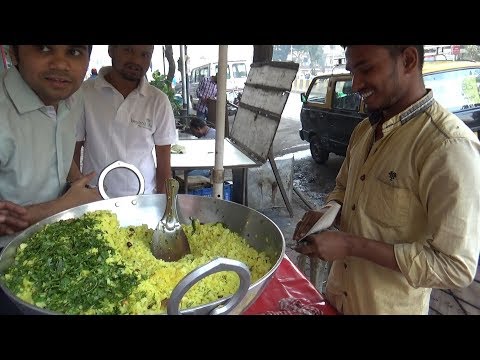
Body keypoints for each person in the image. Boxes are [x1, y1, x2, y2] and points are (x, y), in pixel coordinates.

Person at [293, 45, 480, 315]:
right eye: (352, 72)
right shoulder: (364, 131)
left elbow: (455, 267)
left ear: (408, 60)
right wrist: (329, 211)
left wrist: (349, 245)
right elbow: (343, 187)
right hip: (338, 298)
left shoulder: (448, 147)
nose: (355, 84)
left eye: (366, 69)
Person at [0, 45, 102, 314]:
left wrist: (77, 181)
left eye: (74, 52)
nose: (60, 63)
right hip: (6, 267)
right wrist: (65, 206)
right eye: (44, 48)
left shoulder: (70, 97)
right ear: (14, 52)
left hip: (56, 249)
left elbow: (57, 142)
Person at [74, 45, 177, 198]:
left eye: (145, 55)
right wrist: (78, 194)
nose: (136, 60)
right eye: (128, 50)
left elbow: (164, 166)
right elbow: (73, 151)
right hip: (95, 198)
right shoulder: (83, 93)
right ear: (111, 50)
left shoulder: (158, 101)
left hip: (144, 199)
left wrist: (163, 206)